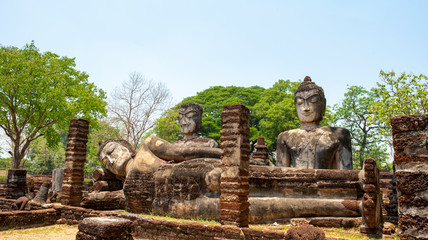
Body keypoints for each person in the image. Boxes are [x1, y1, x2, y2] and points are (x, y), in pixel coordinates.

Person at [98, 103, 221, 177]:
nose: (183, 121)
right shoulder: (175, 144)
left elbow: (179, 154)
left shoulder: (207, 142)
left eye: (189, 117)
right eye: (180, 117)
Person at [276, 76, 352, 169]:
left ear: (323, 104)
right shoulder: (285, 137)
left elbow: (346, 174)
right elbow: (280, 173)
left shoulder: (338, 135)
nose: (306, 108)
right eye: (300, 102)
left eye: (313, 101)